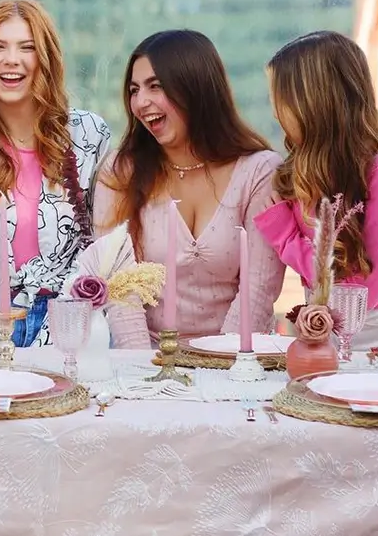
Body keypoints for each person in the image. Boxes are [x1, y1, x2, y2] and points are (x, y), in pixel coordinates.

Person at [0, 0, 110, 348]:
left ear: (45, 58)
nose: (11, 59)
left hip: (71, 321)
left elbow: (98, 247)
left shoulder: (90, 135)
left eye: (26, 47)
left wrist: (60, 336)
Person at [94, 29, 285, 344]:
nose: (141, 102)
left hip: (237, 361)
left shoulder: (259, 171)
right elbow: (121, 287)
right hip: (148, 363)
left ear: (194, 86)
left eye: (156, 86)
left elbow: (259, 288)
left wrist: (221, 366)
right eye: (134, 89)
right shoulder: (121, 172)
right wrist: (146, 372)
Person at [254, 31, 378, 351]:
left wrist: (286, 238)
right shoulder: (312, 159)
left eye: (280, 99)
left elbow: (359, 293)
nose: (274, 113)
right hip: (322, 326)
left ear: (315, 102)